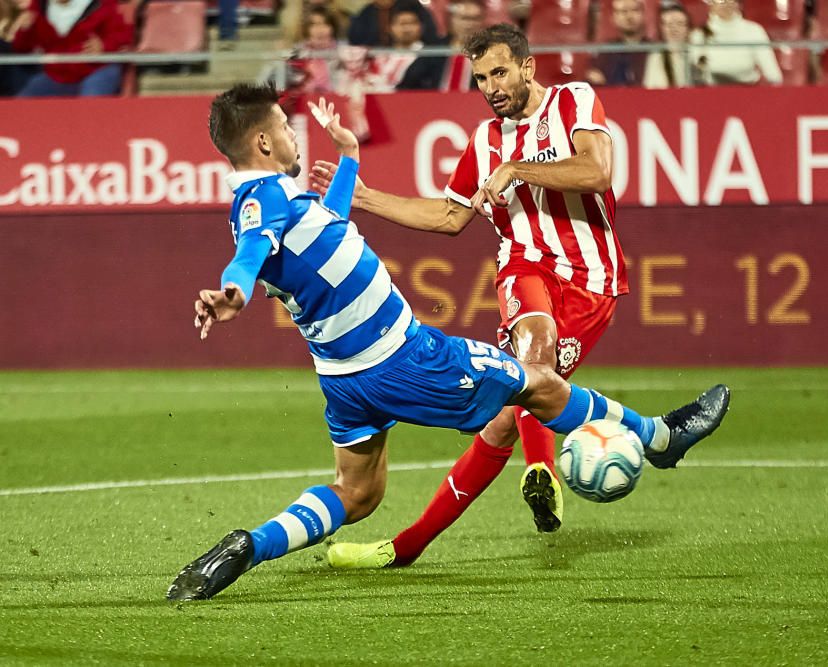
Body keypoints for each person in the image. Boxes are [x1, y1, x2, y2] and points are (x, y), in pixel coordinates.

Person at [164, 83, 730, 600]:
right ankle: (659, 438)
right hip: (404, 357)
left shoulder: (278, 199)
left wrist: (351, 160)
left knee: (357, 495)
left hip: (343, 377)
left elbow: (326, 229)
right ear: (262, 140)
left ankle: (248, 545)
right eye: (286, 128)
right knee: (536, 383)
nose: (293, 135)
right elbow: (249, 256)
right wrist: (232, 293)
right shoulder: (260, 200)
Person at [307, 23, 631, 570]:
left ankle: (404, 548)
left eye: (500, 72)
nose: (491, 86)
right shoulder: (484, 141)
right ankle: (543, 470)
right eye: (481, 77)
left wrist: (516, 170)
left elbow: (597, 172)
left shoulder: (573, 100)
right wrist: (364, 198)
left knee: (505, 417)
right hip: (524, 267)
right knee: (533, 347)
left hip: (591, 280)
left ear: (527, 67)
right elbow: (452, 214)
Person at [11, 0, 132, 97]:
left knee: (90, 111)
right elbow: (22, 49)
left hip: (97, 70)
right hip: (58, 75)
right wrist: (25, 30)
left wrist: (104, 45)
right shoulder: (38, 6)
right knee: (21, 106)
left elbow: (124, 35)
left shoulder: (103, 3)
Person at [689, 0, 781, 86]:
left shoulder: (754, 30)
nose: (726, 3)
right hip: (709, 94)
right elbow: (695, 73)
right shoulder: (699, 34)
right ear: (710, 3)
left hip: (748, 94)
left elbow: (773, 75)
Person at [587, 0, 649, 87]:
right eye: (623, 11)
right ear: (614, 18)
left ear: (643, 15)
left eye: (635, 10)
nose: (629, 16)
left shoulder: (654, 50)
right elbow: (594, 78)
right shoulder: (606, 52)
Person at [643, 2, 703, 89]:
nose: (674, 29)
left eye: (679, 24)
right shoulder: (655, 57)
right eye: (669, 24)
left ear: (688, 28)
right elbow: (650, 90)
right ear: (662, 28)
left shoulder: (697, 54)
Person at [347, 0, 438, 47]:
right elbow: (355, 39)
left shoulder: (410, 5)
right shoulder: (366, 11)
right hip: (379, 58)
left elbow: (430, 32)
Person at [438, 0, 485, 91]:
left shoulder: (489, 52)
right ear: (451, 20)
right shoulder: (435, 48)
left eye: (475, 19)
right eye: (464, 18)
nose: (469, 24)